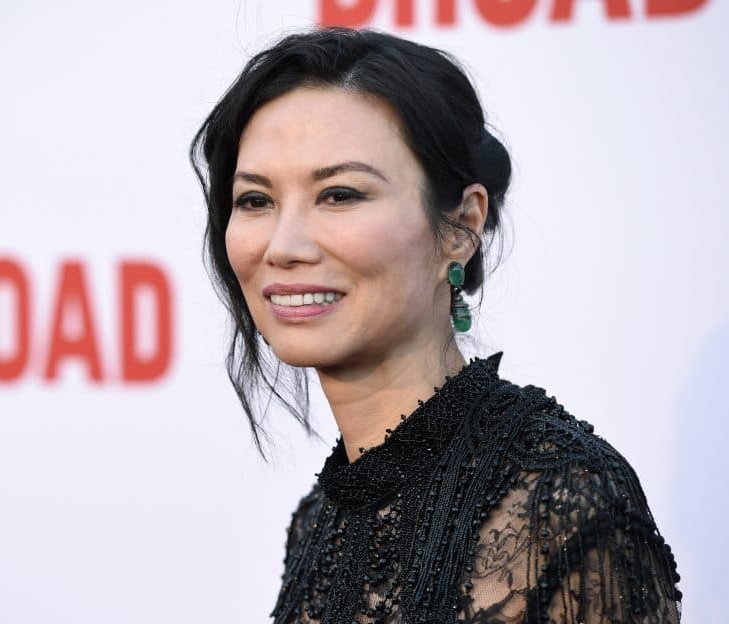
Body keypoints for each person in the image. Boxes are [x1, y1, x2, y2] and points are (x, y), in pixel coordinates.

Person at [189, 26, 682, 624]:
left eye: (340, 194)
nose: (284, 246)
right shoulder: (318, 521)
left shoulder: (561, 500)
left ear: (460, 226)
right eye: (255, 201)